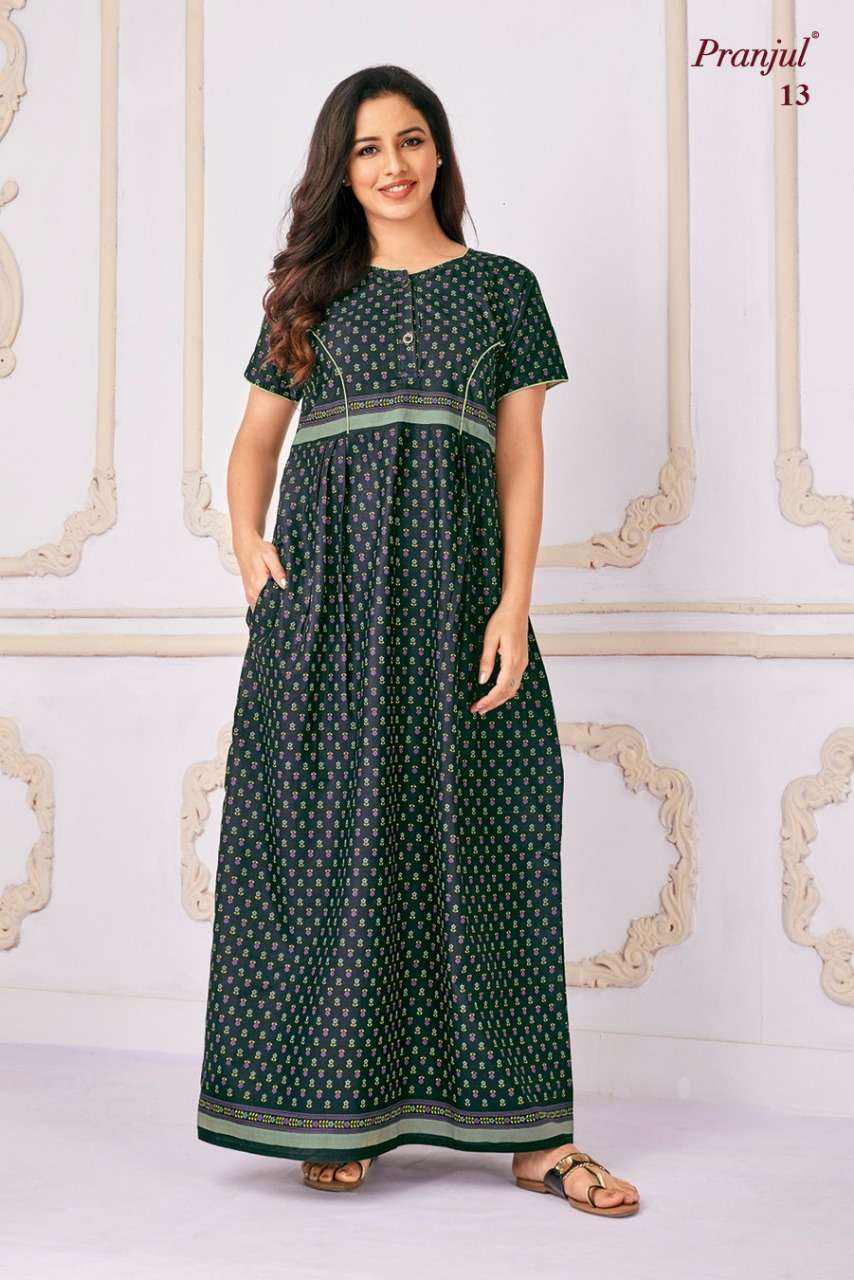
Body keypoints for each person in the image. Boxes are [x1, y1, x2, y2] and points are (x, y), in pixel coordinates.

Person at [197, 64, 640, 1219]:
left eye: (407, 140)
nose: (390, 164)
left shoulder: (502, 289)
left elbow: (520, 455)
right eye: (364, 149)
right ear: (340, 173)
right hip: (327, 610)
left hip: (457, 606)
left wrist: (512, 603)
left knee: (490, 841)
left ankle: (535, 1137)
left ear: (438, 151)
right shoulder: (309, 295)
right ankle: (333, 1110)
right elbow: (254, 440)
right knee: (332, 845)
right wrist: (248, 543)